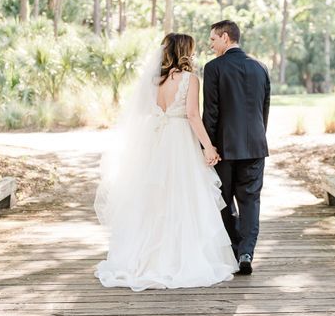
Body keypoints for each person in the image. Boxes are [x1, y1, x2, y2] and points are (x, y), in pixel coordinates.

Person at [94, 33, 238, 291]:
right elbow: (193, 116)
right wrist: (208, 147)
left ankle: (147, 260)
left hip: (155, 141)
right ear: (185, 51)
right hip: (180, 141)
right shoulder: (190, 79)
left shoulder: (153, 81)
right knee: (183, 198)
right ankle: (179, 259)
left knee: (154, 200)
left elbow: (141, 113)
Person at [203, 20, 270, 275]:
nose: (210, 44)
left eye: (213, 39)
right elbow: (264, 110)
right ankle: (246, 252)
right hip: (255, 147)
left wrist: (207, 146)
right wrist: (257, 138)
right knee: (251, 201)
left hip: (224, 150)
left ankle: (234, 249)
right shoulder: (260, 67)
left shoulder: (213, 68)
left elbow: (211, 112)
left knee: (223, 200)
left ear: (226, 37)